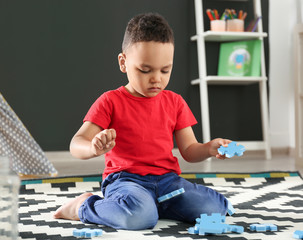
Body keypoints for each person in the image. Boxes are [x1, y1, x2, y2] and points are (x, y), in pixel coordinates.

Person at [53, 12, 234, 230]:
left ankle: (156, 205)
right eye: (145, 70)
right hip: (126, 181)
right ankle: (84, 206)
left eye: (165, 70)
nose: (157, 78)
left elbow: (189, 150)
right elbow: (76, 143)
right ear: (123, 62)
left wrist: (209, 148)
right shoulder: (110, 101)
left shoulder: (175, 102)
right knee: (138, 218)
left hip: (168, 183)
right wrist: (93, 147)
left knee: (216, 208)